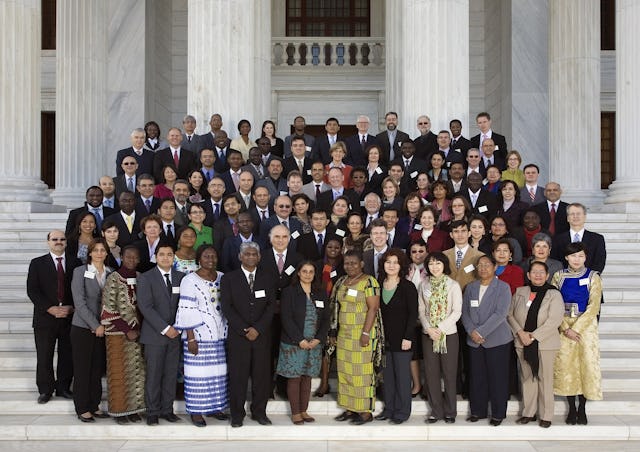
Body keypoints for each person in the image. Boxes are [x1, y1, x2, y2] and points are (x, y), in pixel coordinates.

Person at [221, 242, 276, 427]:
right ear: (240, 257)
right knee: (238, 377)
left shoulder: (268, 277)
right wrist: (244, 329)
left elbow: (271, 306)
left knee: (261, 377)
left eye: (254, 254)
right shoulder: (229, 278)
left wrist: (258, 329)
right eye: (247, 254)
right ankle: (237, 415)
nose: (251, 257)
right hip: (239, 337)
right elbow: (227, 307)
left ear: (259, 257)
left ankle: (259, 412)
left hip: (261, 336)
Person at [174, 245, 229, 427]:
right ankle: (196, 411)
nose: (210, 259)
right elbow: (186, 309)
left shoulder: (222, 277)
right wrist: (190, 338)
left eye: (213, 256)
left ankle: (216, 407)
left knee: (217, 374)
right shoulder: (189, 280)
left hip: (219, 334)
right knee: (197, 375)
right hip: (198, 336)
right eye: (206, 256)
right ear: (199, 259)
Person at [508, 261, 564, 428]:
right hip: (522, 341)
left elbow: (554, 320)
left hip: (545, 343)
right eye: (534, 272)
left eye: (541, 272)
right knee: (527, 378)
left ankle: (546, 415)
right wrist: (520, 333)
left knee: (544, 378)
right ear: (528, 275)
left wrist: (532, 337)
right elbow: (510, 314)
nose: (538, 275)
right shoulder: (520, 291)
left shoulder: (554, 294)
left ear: (547, 276)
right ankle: (528, 412)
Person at [552, 242, 603, 425]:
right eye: (573, 256)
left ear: (585, 257)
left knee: (585, 366)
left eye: (580, 256)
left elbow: (593, 306)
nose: (577, 259)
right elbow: (554, 303)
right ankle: (571, 409)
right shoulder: (558, 276)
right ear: (566, 257)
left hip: (585, 328)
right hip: (563, 325)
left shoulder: (593, 277)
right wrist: (565, 327)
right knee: (567, 366)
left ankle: (582, 408)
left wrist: (577, 328)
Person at [27, 230, 80, 404]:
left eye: (62, 239)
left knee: (67, 354)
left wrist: (71, 308)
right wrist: (49, 308)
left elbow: (79, 288)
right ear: (48, 242)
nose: (59, 242)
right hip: (45, 318)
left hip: (68, 316)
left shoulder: (75, 262)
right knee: (44, 355)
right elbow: (32, 290)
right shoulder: (37, 263)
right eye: (55, 239)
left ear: (66, 242)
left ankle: (63, 387)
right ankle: (45, 389)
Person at [461, 255, 513, 426]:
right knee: (477, 377)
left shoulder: (503, 287)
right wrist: (471, 331)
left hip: (497, 339)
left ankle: (498, 414)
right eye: (480, 265)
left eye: (486, 265)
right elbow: (465, 312)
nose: (483, 268)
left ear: (494, 267)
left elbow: (500, 313)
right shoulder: (471, 287)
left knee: (497, 377)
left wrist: (481, 332)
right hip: (474, 340)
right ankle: (478, 411)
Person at [137, 242, 185, 426]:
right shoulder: (146, 278)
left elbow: (185, 305)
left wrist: (178, 328)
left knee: (171, 374)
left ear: (174, 257)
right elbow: (145, 307)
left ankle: (167, 410)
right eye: (162, 254)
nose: (166, 257)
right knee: (154, 374)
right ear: (155, 257)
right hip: (155, 335)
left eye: (169, 254)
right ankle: (152, 412)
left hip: (176, 335)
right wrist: (166, 328)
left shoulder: (181, 277)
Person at [331, 250, 381, 425]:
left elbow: (373, 309)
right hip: (344, 334)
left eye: (353, 263)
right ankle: (350, 408)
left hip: (362, 335)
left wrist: (366, 332)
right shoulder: (342, 281)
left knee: (362, 373)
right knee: (345, 372)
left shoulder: (369, 282)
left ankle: (365, 412)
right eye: (346, 263)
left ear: (361, 264)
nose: (350, 266)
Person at [277, 261, 330, 424]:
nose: (308, 274)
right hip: (294, 344)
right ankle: (295, 413)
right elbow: (286, 318)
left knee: (307, 377)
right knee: (295, 378)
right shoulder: (289, 292)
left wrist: (318, 339)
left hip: (314, 344)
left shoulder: (320, 293)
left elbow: (326, 319)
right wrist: (299, 339)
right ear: (298, 273)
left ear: (315, 274)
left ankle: (304, 410)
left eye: (311, 271)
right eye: (304, 271)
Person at [100, 245, 146, 424]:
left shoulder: (141, 278)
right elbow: (107, 309)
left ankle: (134, 410)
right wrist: (127, 330)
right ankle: (120, 411)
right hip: (118, 334)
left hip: (139, 334)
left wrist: (139, 329)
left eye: (135, 257)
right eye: (128, 257)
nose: (132, 260)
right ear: (121, 257)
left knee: (138, 374)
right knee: (119, 374)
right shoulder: (114, 278)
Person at [70, 238, 113, 422]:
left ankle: (94, 405)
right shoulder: (80, 271)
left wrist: (104, 326)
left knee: (96, 369)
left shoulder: (111, 273)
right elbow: (79, 302)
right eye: (95, 250)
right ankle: (82, 408)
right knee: (82, 369)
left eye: (102, 250)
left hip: (104, 329)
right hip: (83, 328)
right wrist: (95, 325)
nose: (99, 253)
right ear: (89, 252)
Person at [418, 251, 462, 424]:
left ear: (444, 265)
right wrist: (429, 328)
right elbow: (421, 310)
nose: (434, 267)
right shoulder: (424, 285)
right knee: (431, 374)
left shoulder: (453, 285)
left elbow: (457, 311)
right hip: (428, 335)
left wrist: (440, 328)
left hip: (448, 335)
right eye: (431, 264)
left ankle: (451, 411)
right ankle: (436, 411)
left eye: (438, 263)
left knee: (450, 374)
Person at [374, 249, 418, 424]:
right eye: (388, 262)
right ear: (383, 264)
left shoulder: (408, 287)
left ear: (401, 265)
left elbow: (413, 314)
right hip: (384, 340)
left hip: (403, 340)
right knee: (388, 377)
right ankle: (389, 409)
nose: (391, 265)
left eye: (395, 262)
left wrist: (408, 338)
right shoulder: (377, 284)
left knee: (402, 377)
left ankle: (402, 411)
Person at [313, 238, 345, 397]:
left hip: (341, 310)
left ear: (341, 249)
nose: (333, 249)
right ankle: (324, 383)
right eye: (330, 246)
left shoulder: (345, 264)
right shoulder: (318, 265)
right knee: (325, 349)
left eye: (337, 247)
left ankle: (344, 388)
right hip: (323, 311)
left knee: (340, 349)